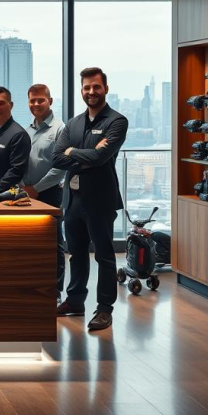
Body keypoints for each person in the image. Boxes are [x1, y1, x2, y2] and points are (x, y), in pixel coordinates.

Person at [52, 67, 129, 332]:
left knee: (105, 255)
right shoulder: (73, 123)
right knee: (77, 254)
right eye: (86, 87)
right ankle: (75, 300)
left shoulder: (117, 121)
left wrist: (73, 152)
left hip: (100, 200)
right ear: (81, 90)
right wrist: (82, 154)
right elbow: (57, 157)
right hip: (72, 200)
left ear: (105, 88)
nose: (91, 92)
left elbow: (100, 158)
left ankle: (104, 309)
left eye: (96, 87)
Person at [22, 84, 67, 302]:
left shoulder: (60, 129)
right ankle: (34, 288)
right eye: (32, 100)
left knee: (54, 242)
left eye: (41, 100)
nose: (36, 104)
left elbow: (60, 168)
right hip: (25, 194)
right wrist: (23, 187)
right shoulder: (27, 130)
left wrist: (36, 189)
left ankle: (55, 292)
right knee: (31, 242)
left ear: (50, 101)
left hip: (49, 194)